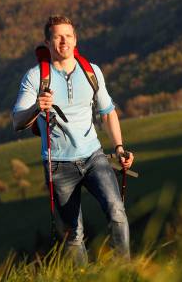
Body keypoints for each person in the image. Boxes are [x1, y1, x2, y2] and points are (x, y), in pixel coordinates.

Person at [12, 15, 134, 264]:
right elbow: (17, 121)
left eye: (68, 36)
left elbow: (107, 112)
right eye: (57, 36)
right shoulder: (35, 77)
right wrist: (37, 106)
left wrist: (119, 148)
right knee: (73, 234)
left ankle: (124, 271)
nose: (63, 41)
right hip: (57, 163)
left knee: (117, 212)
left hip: (94, 156)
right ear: (47, 42)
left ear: (75, 39)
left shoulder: (92, 71)